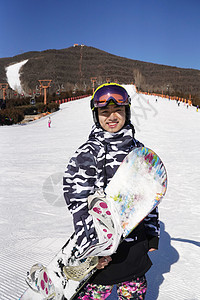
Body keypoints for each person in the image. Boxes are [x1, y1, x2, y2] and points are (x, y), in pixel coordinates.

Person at [63, 83, 160, 300]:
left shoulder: (138, 151)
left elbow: (150, 195)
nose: (112, 117)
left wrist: (152, 232)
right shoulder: (86, 153)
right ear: (96, 115)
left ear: (127, 111)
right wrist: (91, 248)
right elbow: (78, 203)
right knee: (96, 292)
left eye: (118, 111)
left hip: (134, 245)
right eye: (104, 112)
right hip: (102, 249)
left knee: (134, 292)